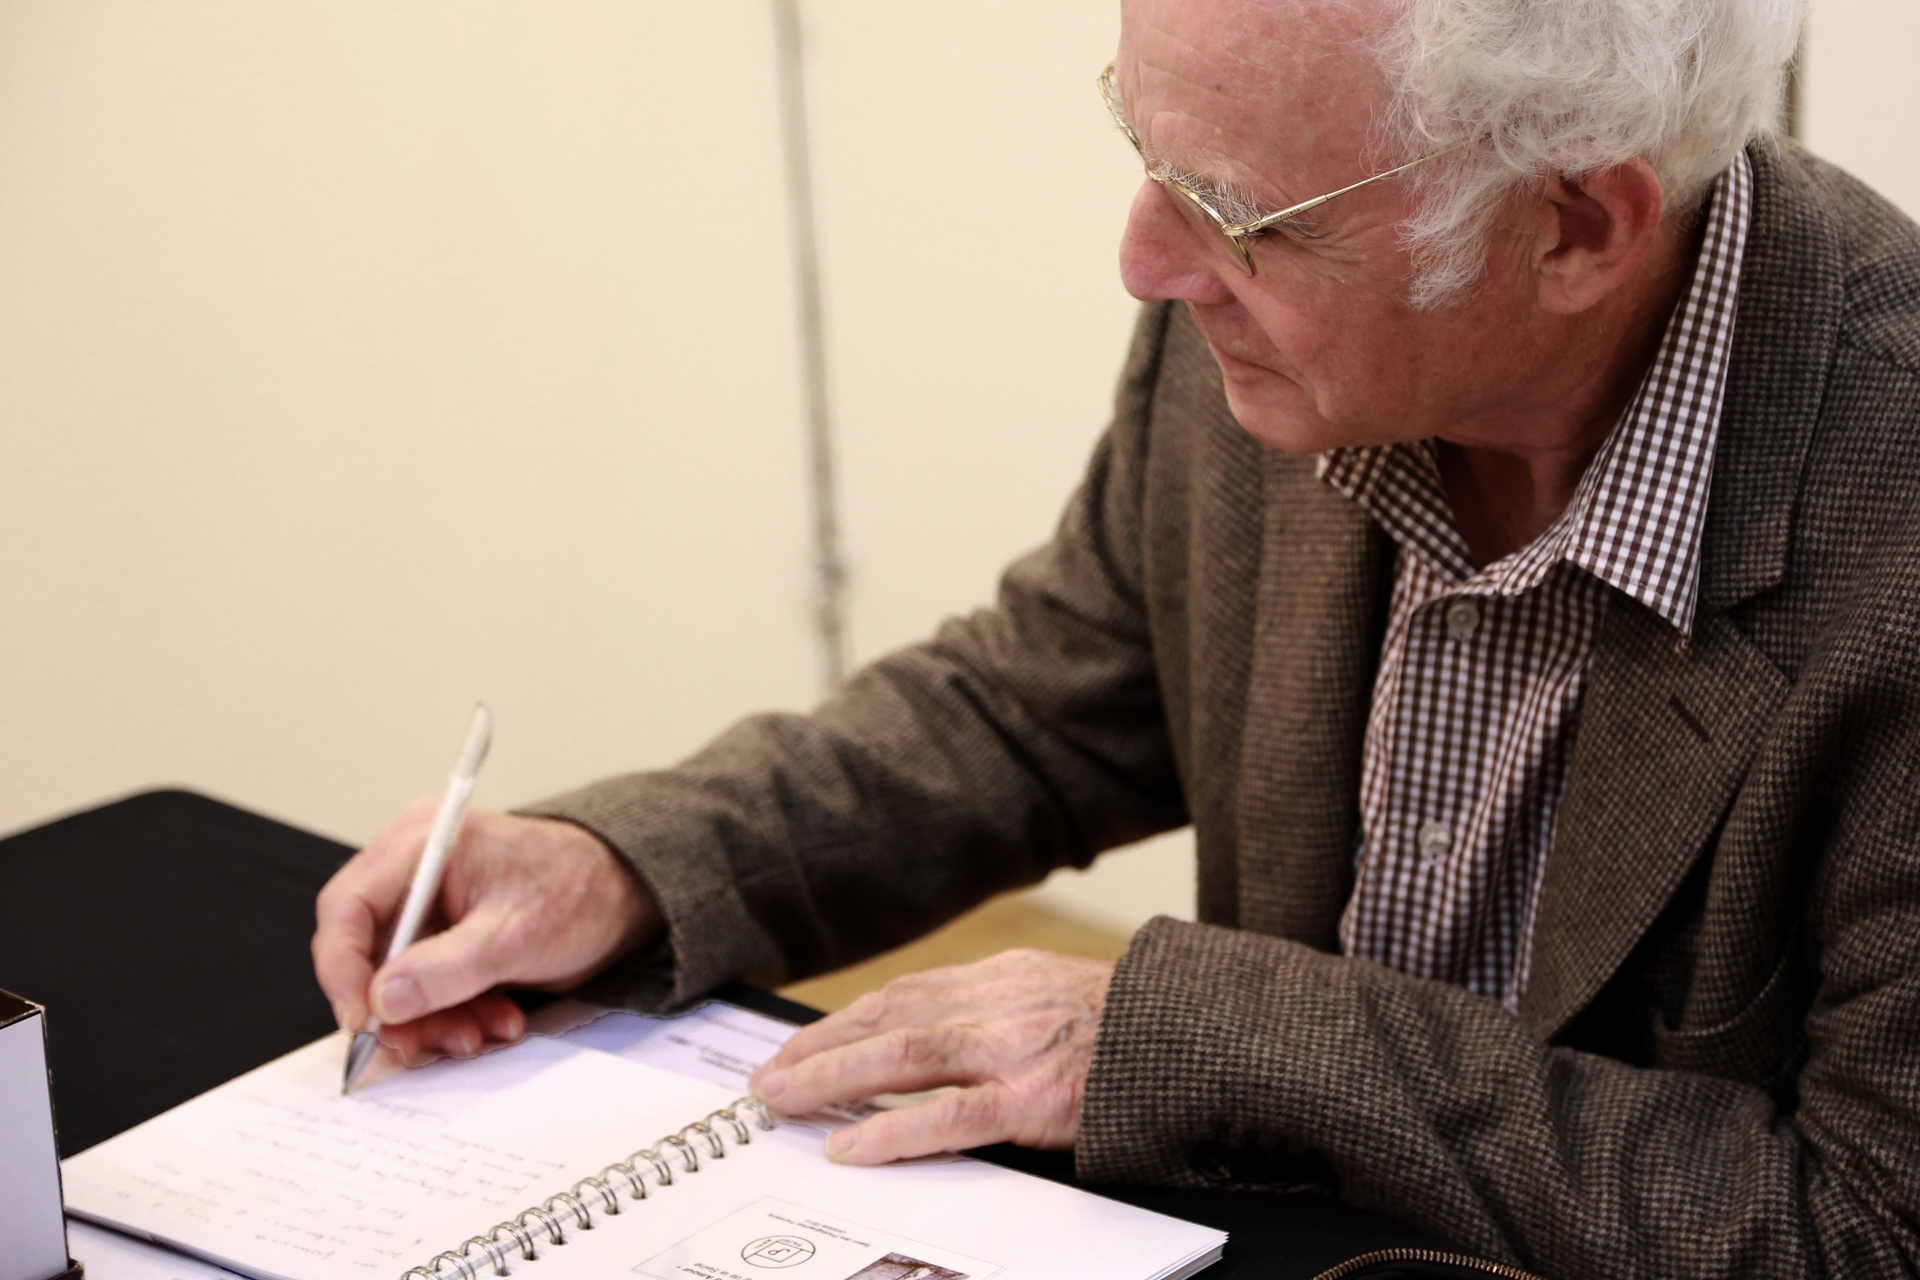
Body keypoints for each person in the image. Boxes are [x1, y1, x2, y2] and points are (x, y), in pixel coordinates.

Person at [314, 0, 1920, 1274]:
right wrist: (630, 863)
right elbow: (1039, 704)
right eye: (1145, 151)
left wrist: (1228, 1038)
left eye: (1235, 211)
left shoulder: (1893, 532)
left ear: (1574, 226)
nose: (1147, 264)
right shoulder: (1284, 349)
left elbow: (1868, 1224)